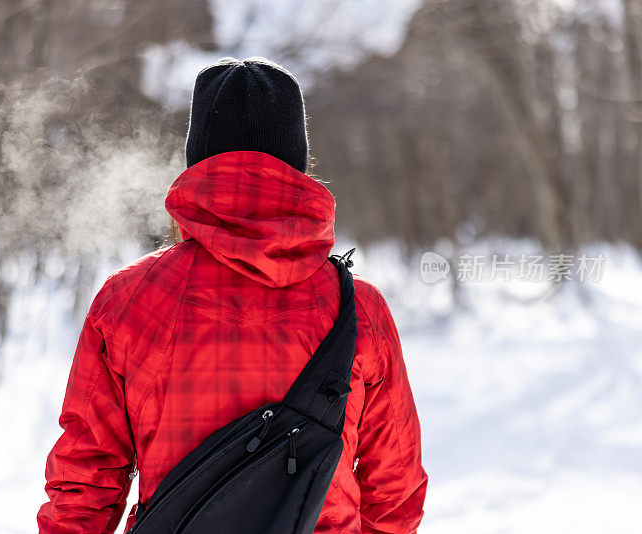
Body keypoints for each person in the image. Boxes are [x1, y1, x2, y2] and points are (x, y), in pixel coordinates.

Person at [37, 57, 427, 534]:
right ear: (297, 163)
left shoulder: (128, 300)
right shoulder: (358, 308)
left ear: (197, 159)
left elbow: (85, 480)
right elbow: (395, 487)